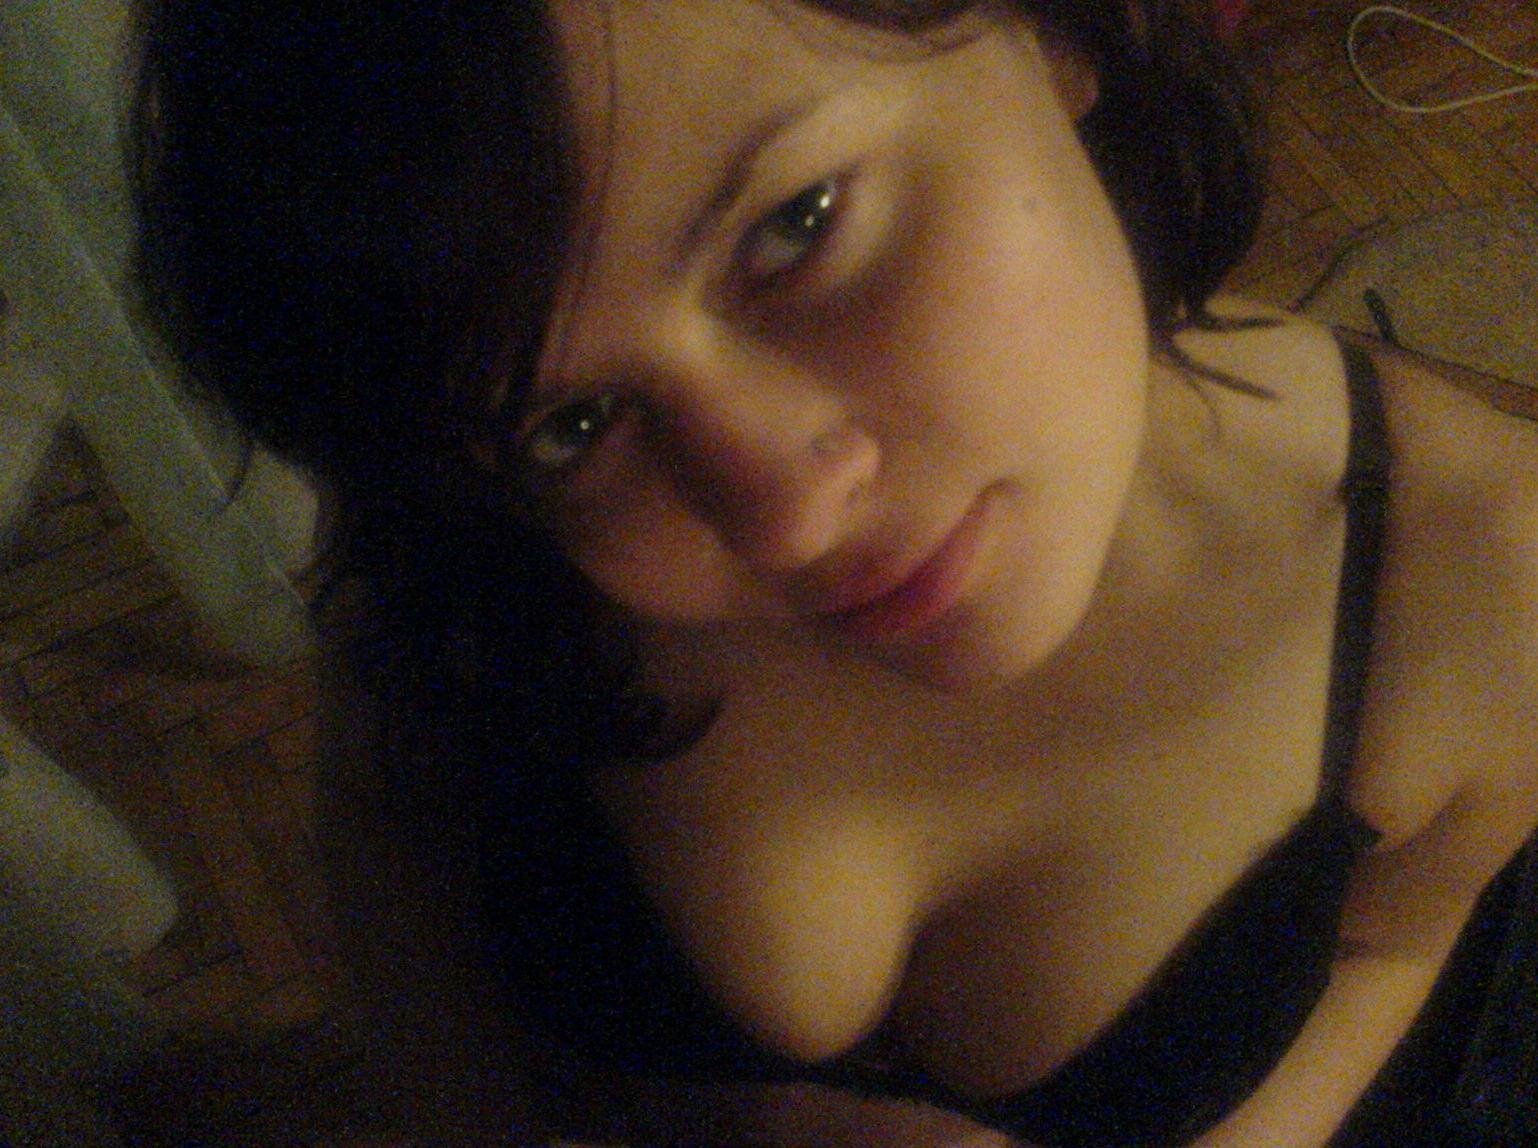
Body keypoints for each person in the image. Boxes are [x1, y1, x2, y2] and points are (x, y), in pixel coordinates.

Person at [129, 1, 1538, 1144]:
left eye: (794, 225)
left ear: (1050, 32)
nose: (787, 520)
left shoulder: (1483, 575)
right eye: (571, 423)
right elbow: (401, 802)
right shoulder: (484, 518)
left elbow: (1395, 943)